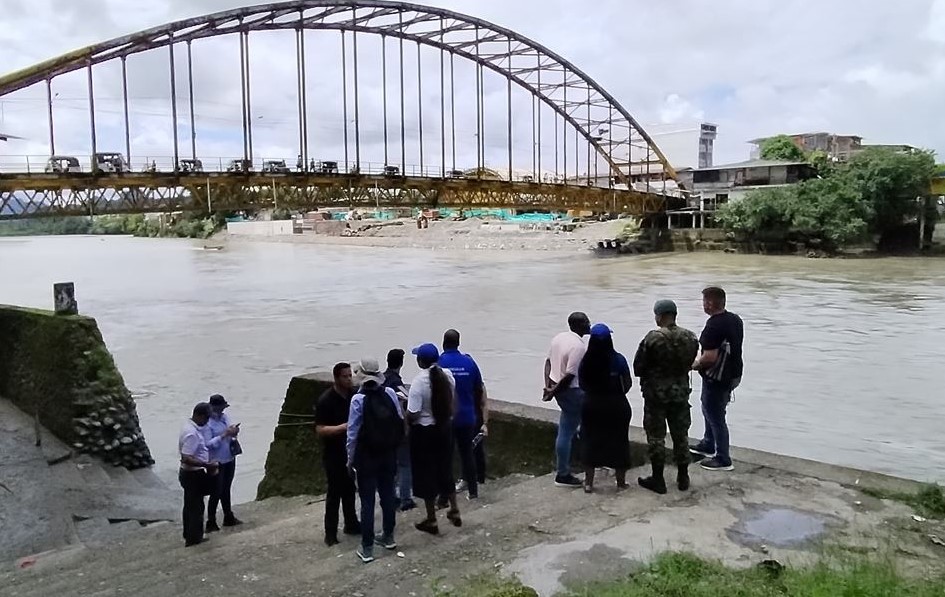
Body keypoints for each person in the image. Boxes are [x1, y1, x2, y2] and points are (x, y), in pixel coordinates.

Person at [633, 300, 701, 493]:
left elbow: (638, 367)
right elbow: (690, 363)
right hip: (680, 394)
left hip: (656, 396)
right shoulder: (690, 337)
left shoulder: (653, 338)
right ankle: (683, 476)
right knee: (681, 435)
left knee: (656, 437)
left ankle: (658, 479)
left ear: (660, 315)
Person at [346, 357, 404, 563]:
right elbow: (399, 420)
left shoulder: (358, 400)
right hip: (388, 453)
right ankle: (388, 536)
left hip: (366, 457)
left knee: (368, 501)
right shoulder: (389, 393)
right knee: (388, 496)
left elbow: (352, 434)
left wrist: (350, 460)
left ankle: (367, 547)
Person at [407, 343, 461, 534]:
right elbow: (451, 400)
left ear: (420, 361)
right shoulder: (448, 376)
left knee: (426, 474)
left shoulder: (418, 383)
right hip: (445, 428)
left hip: (425, 432)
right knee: (445, 469)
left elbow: (413, 413)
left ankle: (431, 519)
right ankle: (454, 509)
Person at [691, 286, 745, 472]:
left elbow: (709, 358)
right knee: (710, 408)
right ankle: (708, 443)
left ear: (710, 303)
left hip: (717, 377)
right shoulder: (735, 320)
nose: (703, 304)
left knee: (714, 414)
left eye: (705, 301)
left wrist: (691, 365)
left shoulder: (713, 326)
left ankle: (723, 457)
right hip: (734, 374)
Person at [577, 323, 632, 493]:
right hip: (616, 405)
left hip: (592, 404)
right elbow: (627, 383)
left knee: (590, 440)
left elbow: (582, 385)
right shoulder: (619, 360)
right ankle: (621, 482)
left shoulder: (585, 362)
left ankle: (588, 483)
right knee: (619, 441)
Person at [439, 329, 489, 500]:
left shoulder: (439, 363)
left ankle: (445, 495)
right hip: (468, 415)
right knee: (467, 454)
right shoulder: (469, 363)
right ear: (458, 343)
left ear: (443, 343)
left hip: (446, 417)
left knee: (446, 455)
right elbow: (479, 389)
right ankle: (473, 492)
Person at [314, 362, 361, 547]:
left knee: (350, 490)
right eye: (345, 376)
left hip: (350, 450)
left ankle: (351, 523)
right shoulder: (326, 400)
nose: (349, 379)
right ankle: (330, 533)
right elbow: (320, 429)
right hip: (333, 452)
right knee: (334, 494)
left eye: (350, 375)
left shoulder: (353, 395)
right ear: (336, 378)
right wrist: (343, 427)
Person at [543, 312, 591, 488]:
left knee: (566, 429)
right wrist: (553, 391)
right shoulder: (579, 347)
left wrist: (548, 386)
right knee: (570, 430)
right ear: (578, 325)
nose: (589, 324)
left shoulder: (559, 338)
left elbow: (548, 362)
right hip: (572, 391)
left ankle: (564, 469)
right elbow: (570, 376)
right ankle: (564, 474)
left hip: (560, 389)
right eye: (586, 322)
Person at [179, 402, 229, 547]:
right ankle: (194, 537)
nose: (208, 422)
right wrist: (206, 465)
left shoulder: (190, 428)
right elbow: (186, 457)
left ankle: (189, 534)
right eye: (206, 418)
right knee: (196, 506)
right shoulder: (192, 434)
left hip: (190, 473)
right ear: (199, 416)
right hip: (192, 474)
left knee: (190, 504)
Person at [204, 394, 242, 532]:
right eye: (219, 408)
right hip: (216, 461)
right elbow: (208, 445)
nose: (222, 411)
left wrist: (234, 432)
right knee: (216, 491)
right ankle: (211, 521)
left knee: (226, 489)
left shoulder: (225, 418)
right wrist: (224, 435)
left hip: (229, 458)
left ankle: (228, 516)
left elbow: (229, 432)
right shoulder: (207, 424)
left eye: (223, 408)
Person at [384, 348, 415, 512]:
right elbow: (407, 402)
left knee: (390, 465)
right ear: (401, 363)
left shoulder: (382, 379)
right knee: (404, 464)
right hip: (397, 429)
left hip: (383, 430)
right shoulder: (396, 382)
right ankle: (405, 498)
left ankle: (391, 496)